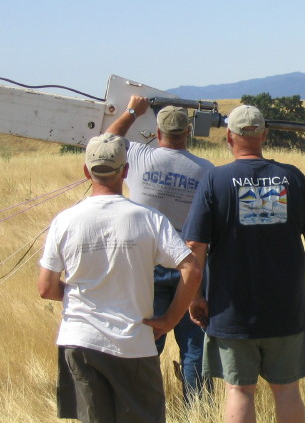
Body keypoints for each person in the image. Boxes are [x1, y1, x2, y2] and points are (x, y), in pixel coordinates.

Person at [38, 133, 202, 423]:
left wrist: (80, 292)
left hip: (79, 340)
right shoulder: (148, 219)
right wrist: (171, 320)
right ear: (125, 171)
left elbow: (46, 288)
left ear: (86, 171)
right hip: (132, 342)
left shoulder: (64, 221)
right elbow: (192, 269)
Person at [182, 105, 305, 423]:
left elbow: (195, 246)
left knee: (240, 391)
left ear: (229, 136)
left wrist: (195, 296)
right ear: (264, 135)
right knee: (287, 390)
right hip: (286, 306)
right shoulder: (293, 178)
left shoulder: (214, 180)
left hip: (231, 310)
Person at [105, 96, 214, 403]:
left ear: (157, 131)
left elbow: (106, 141)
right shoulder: (206, 170)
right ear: (188, 131)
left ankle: (142, 407)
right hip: (189, 267)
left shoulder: (139, 156)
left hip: (144, 266)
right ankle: (199, 410)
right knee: (195, 347)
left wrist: (131, 111)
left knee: (144, 344)